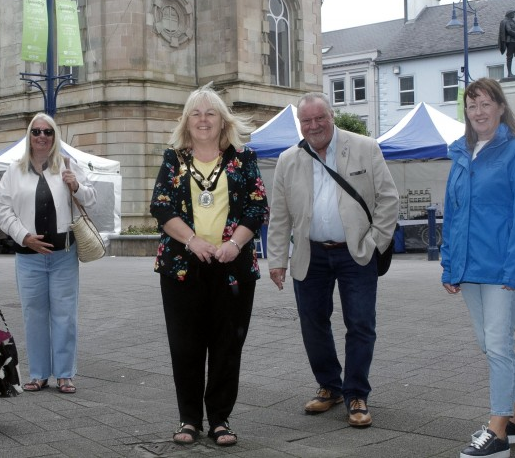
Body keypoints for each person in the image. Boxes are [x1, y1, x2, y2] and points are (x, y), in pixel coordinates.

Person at [267, 92, 398, 429]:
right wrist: (277, 259)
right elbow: (279, 216)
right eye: (306, 121)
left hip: (355, 251)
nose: (314, 126)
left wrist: (373, 243)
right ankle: (329, 386)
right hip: (310, 252)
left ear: (332, 116)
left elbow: (388, 199)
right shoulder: (288, 160)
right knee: (312, 320)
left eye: (319, 118)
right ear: (300, 123)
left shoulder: (364, 147)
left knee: (360, 323)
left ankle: (357, 393)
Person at [149, 84, 268, 447]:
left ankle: (220, 420)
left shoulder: (243, 159)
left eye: (210, 113)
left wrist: (234, 244)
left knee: (226, 346)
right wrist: (193, 241)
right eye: (196, 113)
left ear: (222, 121)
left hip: (232, 266)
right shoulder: (174, 159)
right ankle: (189, 420)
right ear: (187, 121)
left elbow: (257, 206)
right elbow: (161, 206)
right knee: (185, 346)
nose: (203, 120)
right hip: (182, 268)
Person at [441, 78, 515, 458]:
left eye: (485, 103)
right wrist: (450, 266)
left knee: (499, 345)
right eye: (472, 106)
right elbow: (453, 214)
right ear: (465, 113)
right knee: (491, 345)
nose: (479, 112)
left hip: (503, 270)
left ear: (501, 108)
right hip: (470, 269)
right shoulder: (462, 153)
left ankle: (497, 430)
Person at [0, 113, 96, 396]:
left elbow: (92, 199)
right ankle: (38, 374)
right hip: (29, 256)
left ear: (55, 136)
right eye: (36, 132)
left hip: (63, 253)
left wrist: (75, 185)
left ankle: (64, 374)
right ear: (29, 136)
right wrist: (23, 236)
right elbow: (2, 209)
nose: (42, 136)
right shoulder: (14, 171)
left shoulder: (66, 165)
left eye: (48, 132)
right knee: (34, 315)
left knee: (65, 315)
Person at [498, 10, 515, 78]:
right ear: (510, 14)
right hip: (510, 41)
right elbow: (509, 31)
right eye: (513, 13)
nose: (514, 14)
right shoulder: (505, 21)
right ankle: (509, 73)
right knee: (509, 57)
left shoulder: (513, 22)